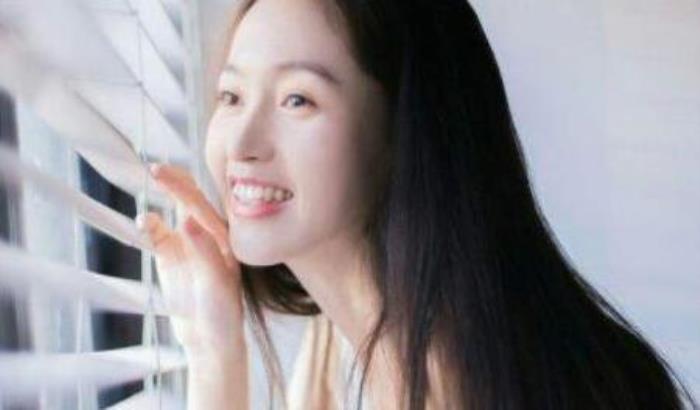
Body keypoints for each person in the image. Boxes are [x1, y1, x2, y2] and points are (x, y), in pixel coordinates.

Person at [136, 0, 698, 408]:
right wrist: (213, 349)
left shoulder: (453, 382)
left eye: (297, 100)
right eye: (231, 96)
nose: (241, 143)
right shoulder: (336, 355)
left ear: (401, 133)